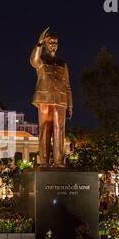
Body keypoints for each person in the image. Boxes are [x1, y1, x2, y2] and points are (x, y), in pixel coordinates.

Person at [30, 27, 73, 167]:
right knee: (45, 129)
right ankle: (44, 161)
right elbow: (33, 60)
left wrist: (70, 105)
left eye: (55, 42)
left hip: (60, 102)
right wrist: (38, 44)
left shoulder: (62, 63)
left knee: (59, 130)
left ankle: (59, 161)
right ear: (46, 44)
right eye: (50, 42)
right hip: (44, 99)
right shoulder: (41, 60)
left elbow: (67, 86)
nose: (53, 44)